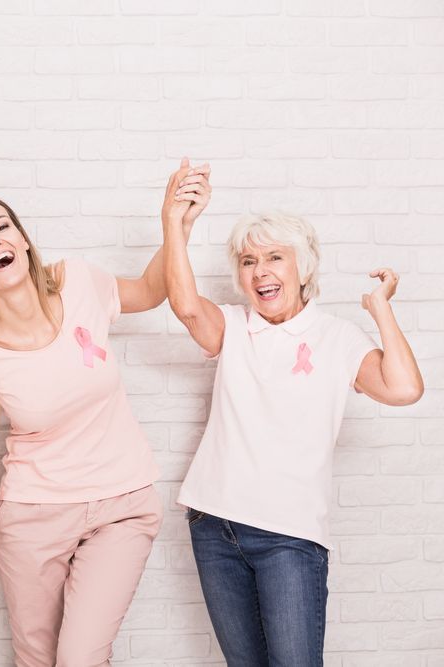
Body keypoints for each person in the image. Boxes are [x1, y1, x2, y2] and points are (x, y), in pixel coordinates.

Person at [0, 177, 208, 665]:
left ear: (21, 238)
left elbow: (148, 290)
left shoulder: (79, 282)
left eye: (2, 226)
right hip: (32, 517)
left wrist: (174, 222)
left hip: (122, 505)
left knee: (80, 658)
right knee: (37, 660)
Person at [161, 159, 424, 666]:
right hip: (215, 526)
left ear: (302, 267)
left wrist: (380, 309)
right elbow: (187, 306)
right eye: (247, 261)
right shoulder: (234, 327)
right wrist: (173, 222)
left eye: (274, 258)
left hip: (290, 539)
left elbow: (405, 388)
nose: (260, 271)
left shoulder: (337, 337)